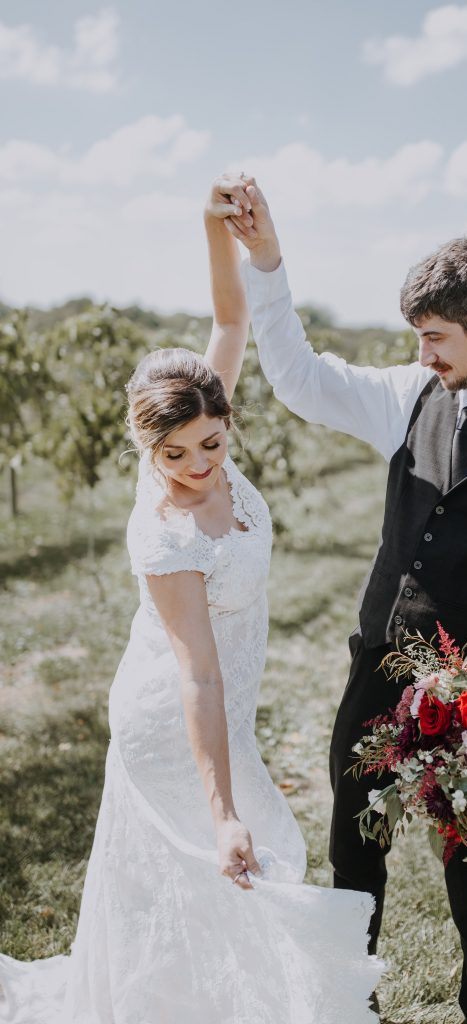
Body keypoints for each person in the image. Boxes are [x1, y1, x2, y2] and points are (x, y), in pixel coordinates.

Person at [224, 181, 467, 1024]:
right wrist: (267, 263)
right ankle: (349, 1011)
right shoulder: (410, 395)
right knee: (351, 857)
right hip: (375, 669)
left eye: (437, 338)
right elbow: (299, 378)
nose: (425, 354)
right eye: (418, 339)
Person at [0, 174, 383, 1024]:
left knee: (215, 891)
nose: (198, 466)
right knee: (233, 859)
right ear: (149, 446)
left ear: (224, 416)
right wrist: (221, 813)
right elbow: (198, 678)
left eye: (210, 443)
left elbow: (231, 318)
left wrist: (217, 226)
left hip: (219, 709)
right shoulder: (167, 535)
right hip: (171, 720)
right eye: (173, 455)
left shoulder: (206, 414)